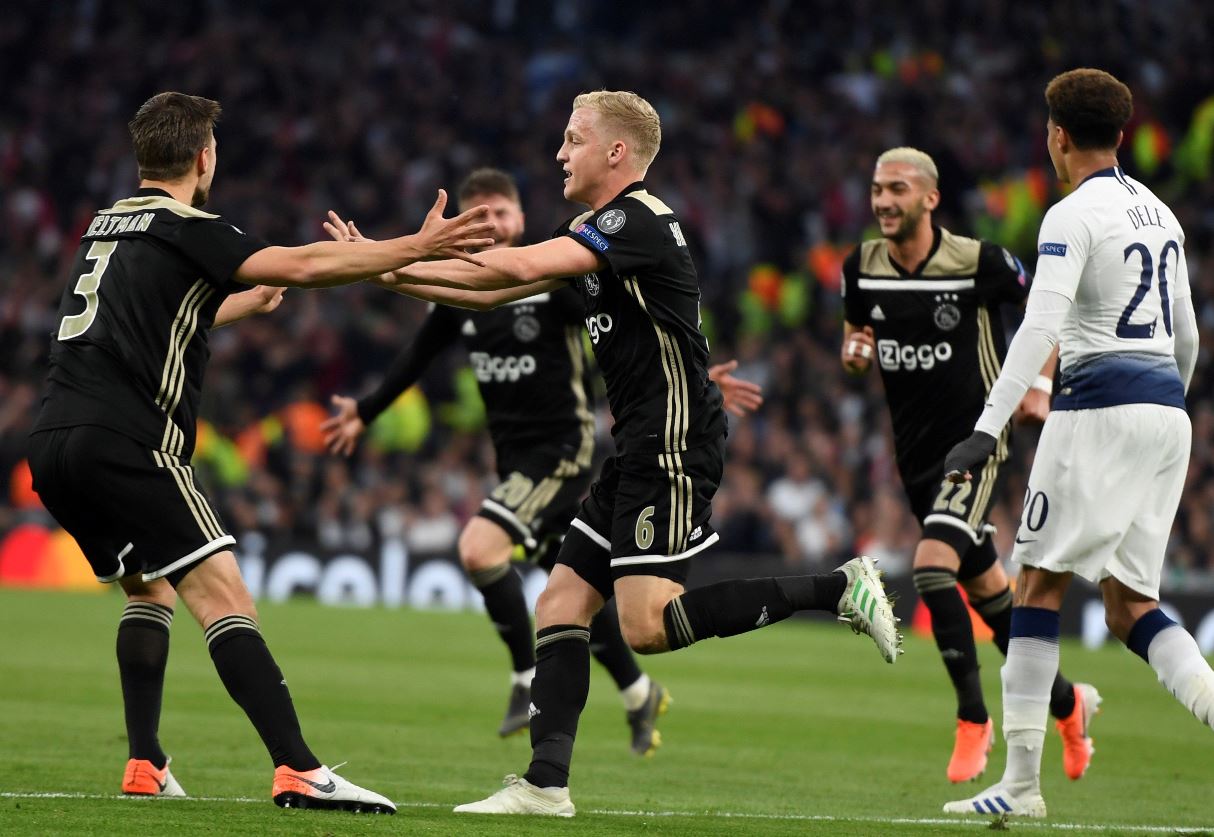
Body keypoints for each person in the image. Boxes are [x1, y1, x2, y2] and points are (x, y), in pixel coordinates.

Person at [326, 89, 901, 817]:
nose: (559, 153)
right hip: (639, 441)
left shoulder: (637, 219)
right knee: (562, 602)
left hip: (671, 440)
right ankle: (545, 784)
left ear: (616, 152)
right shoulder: (597, 228)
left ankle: (837, 588)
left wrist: (395, 255)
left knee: (645, 624)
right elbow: (485, 294)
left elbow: (501, 271)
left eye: (572, 140)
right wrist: (382, 269)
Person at [25, 91, 493, 814]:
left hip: (53, 440)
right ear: (204, 157)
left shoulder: (106, 224)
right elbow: (305, 264)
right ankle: (298, 768)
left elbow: (164, 317)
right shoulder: (189, 225)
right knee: (225, 596)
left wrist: (251, 298)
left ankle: (145, 761)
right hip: (127, 439)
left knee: (150, 589)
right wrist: (416, 247)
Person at [323, 167, 758, 753]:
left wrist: (695, 379)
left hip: (563, 450)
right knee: (573, 593)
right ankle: (636, 693)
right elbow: (416, 359)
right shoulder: (462, 296)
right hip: (515, 459)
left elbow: (640, 328)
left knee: (479, 548)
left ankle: (525, 676)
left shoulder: (563, 275)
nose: (493, 223)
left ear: (522, 219)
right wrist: (366, 410)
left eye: (502, 213)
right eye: (479, 215)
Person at [942, 68, 1210, 818]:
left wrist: (986, 427)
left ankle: (1021, 786)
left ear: (1056, 135)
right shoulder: (1162, 214)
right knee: (1130, 606)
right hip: (1165, 412)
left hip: (1096, 408)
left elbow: (1041, 327)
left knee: (1035, 587)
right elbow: (1186, 335)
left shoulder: (1070, 214)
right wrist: (1164, 409)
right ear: (1120, 135)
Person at [840, 147, 1098, 784]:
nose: (882, 201)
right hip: (916, 459)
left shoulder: (977, 262)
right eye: (876, 189)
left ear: (929, 198)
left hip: (978, 443)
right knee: (991, 599)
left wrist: (1039, 386)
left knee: (931, 569)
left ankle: (973, 720)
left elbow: (1051, 312)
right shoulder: (861, 266)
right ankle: (1070, 708)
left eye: (896, 189)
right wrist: (853, 350)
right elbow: (857, 331)